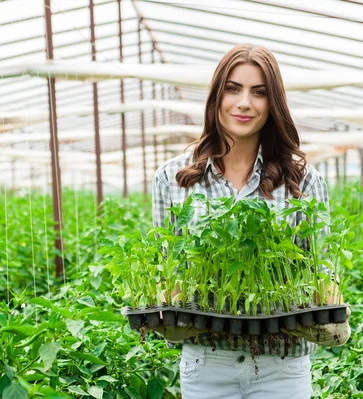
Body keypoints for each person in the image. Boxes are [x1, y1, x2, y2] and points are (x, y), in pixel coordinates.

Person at [150, 44, 351, 399]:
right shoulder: (174, 177)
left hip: (282, 368)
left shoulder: (303, 181)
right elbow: (167, 266)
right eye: (233, 88)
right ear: (216, 97)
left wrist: (329, 311)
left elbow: (323, 268)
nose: (244, 103)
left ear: (273, 104)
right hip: (206, 365)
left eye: (259, 92)